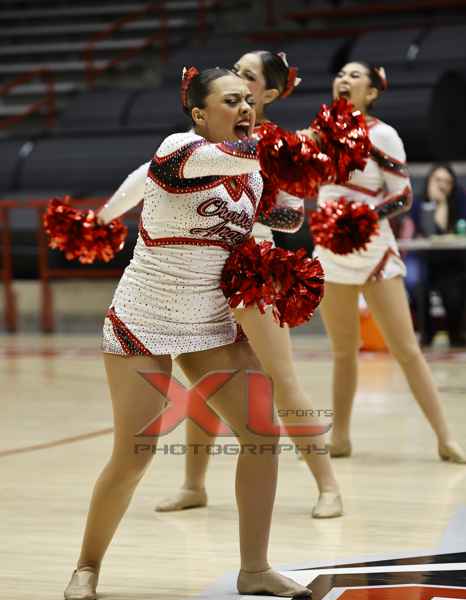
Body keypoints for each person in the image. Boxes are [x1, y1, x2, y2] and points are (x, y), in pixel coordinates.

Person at [64, 67, 316, 600]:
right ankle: (87, 564)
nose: (245, 108)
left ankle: (255, 569)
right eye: (231, 100)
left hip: (209, 322)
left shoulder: (250, 174)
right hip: (144, 319)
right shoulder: (179, 151)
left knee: (262, 434)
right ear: (200, 114)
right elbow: (259, 155)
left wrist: (295, 180)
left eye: (249, 100)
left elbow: (289, 220)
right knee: (135, 453)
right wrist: (305, 147)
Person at [97, 51, 343, 520]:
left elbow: (290, 220)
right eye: (235, 78)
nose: (240, 82)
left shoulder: (284, 148)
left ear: (269, 93)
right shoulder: (198, 143)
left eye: (249, 78)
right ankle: (194, 484)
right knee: (207, 378)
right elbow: (146, 176)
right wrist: (102, 218)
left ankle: (327, 485)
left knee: (280, 378)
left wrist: (265, 198)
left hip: (251, 269)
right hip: (201, 273)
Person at [311, 61, 466, 463]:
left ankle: (445, 437)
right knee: (343, 351)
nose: (344, 80)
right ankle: (340, 438)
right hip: (330, 251)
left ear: (371, 92)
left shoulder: (383, 134)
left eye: (354, 76)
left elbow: (403, 197)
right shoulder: (320, 133)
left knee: (407, 350)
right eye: (340, 75)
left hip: (373, 250)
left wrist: (362, 218)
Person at [400, 163, 466, 347]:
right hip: (422, 257)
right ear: (429, 180)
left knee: (454, 289)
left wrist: (443, 204)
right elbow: (419, 232)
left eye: (447, 181)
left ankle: (456, 333)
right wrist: (432, 206)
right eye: (438, 180)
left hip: (450, 259)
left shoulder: (459, 201)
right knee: (416, 283)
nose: (442, 185)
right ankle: (426, 333)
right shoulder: (418, 202)